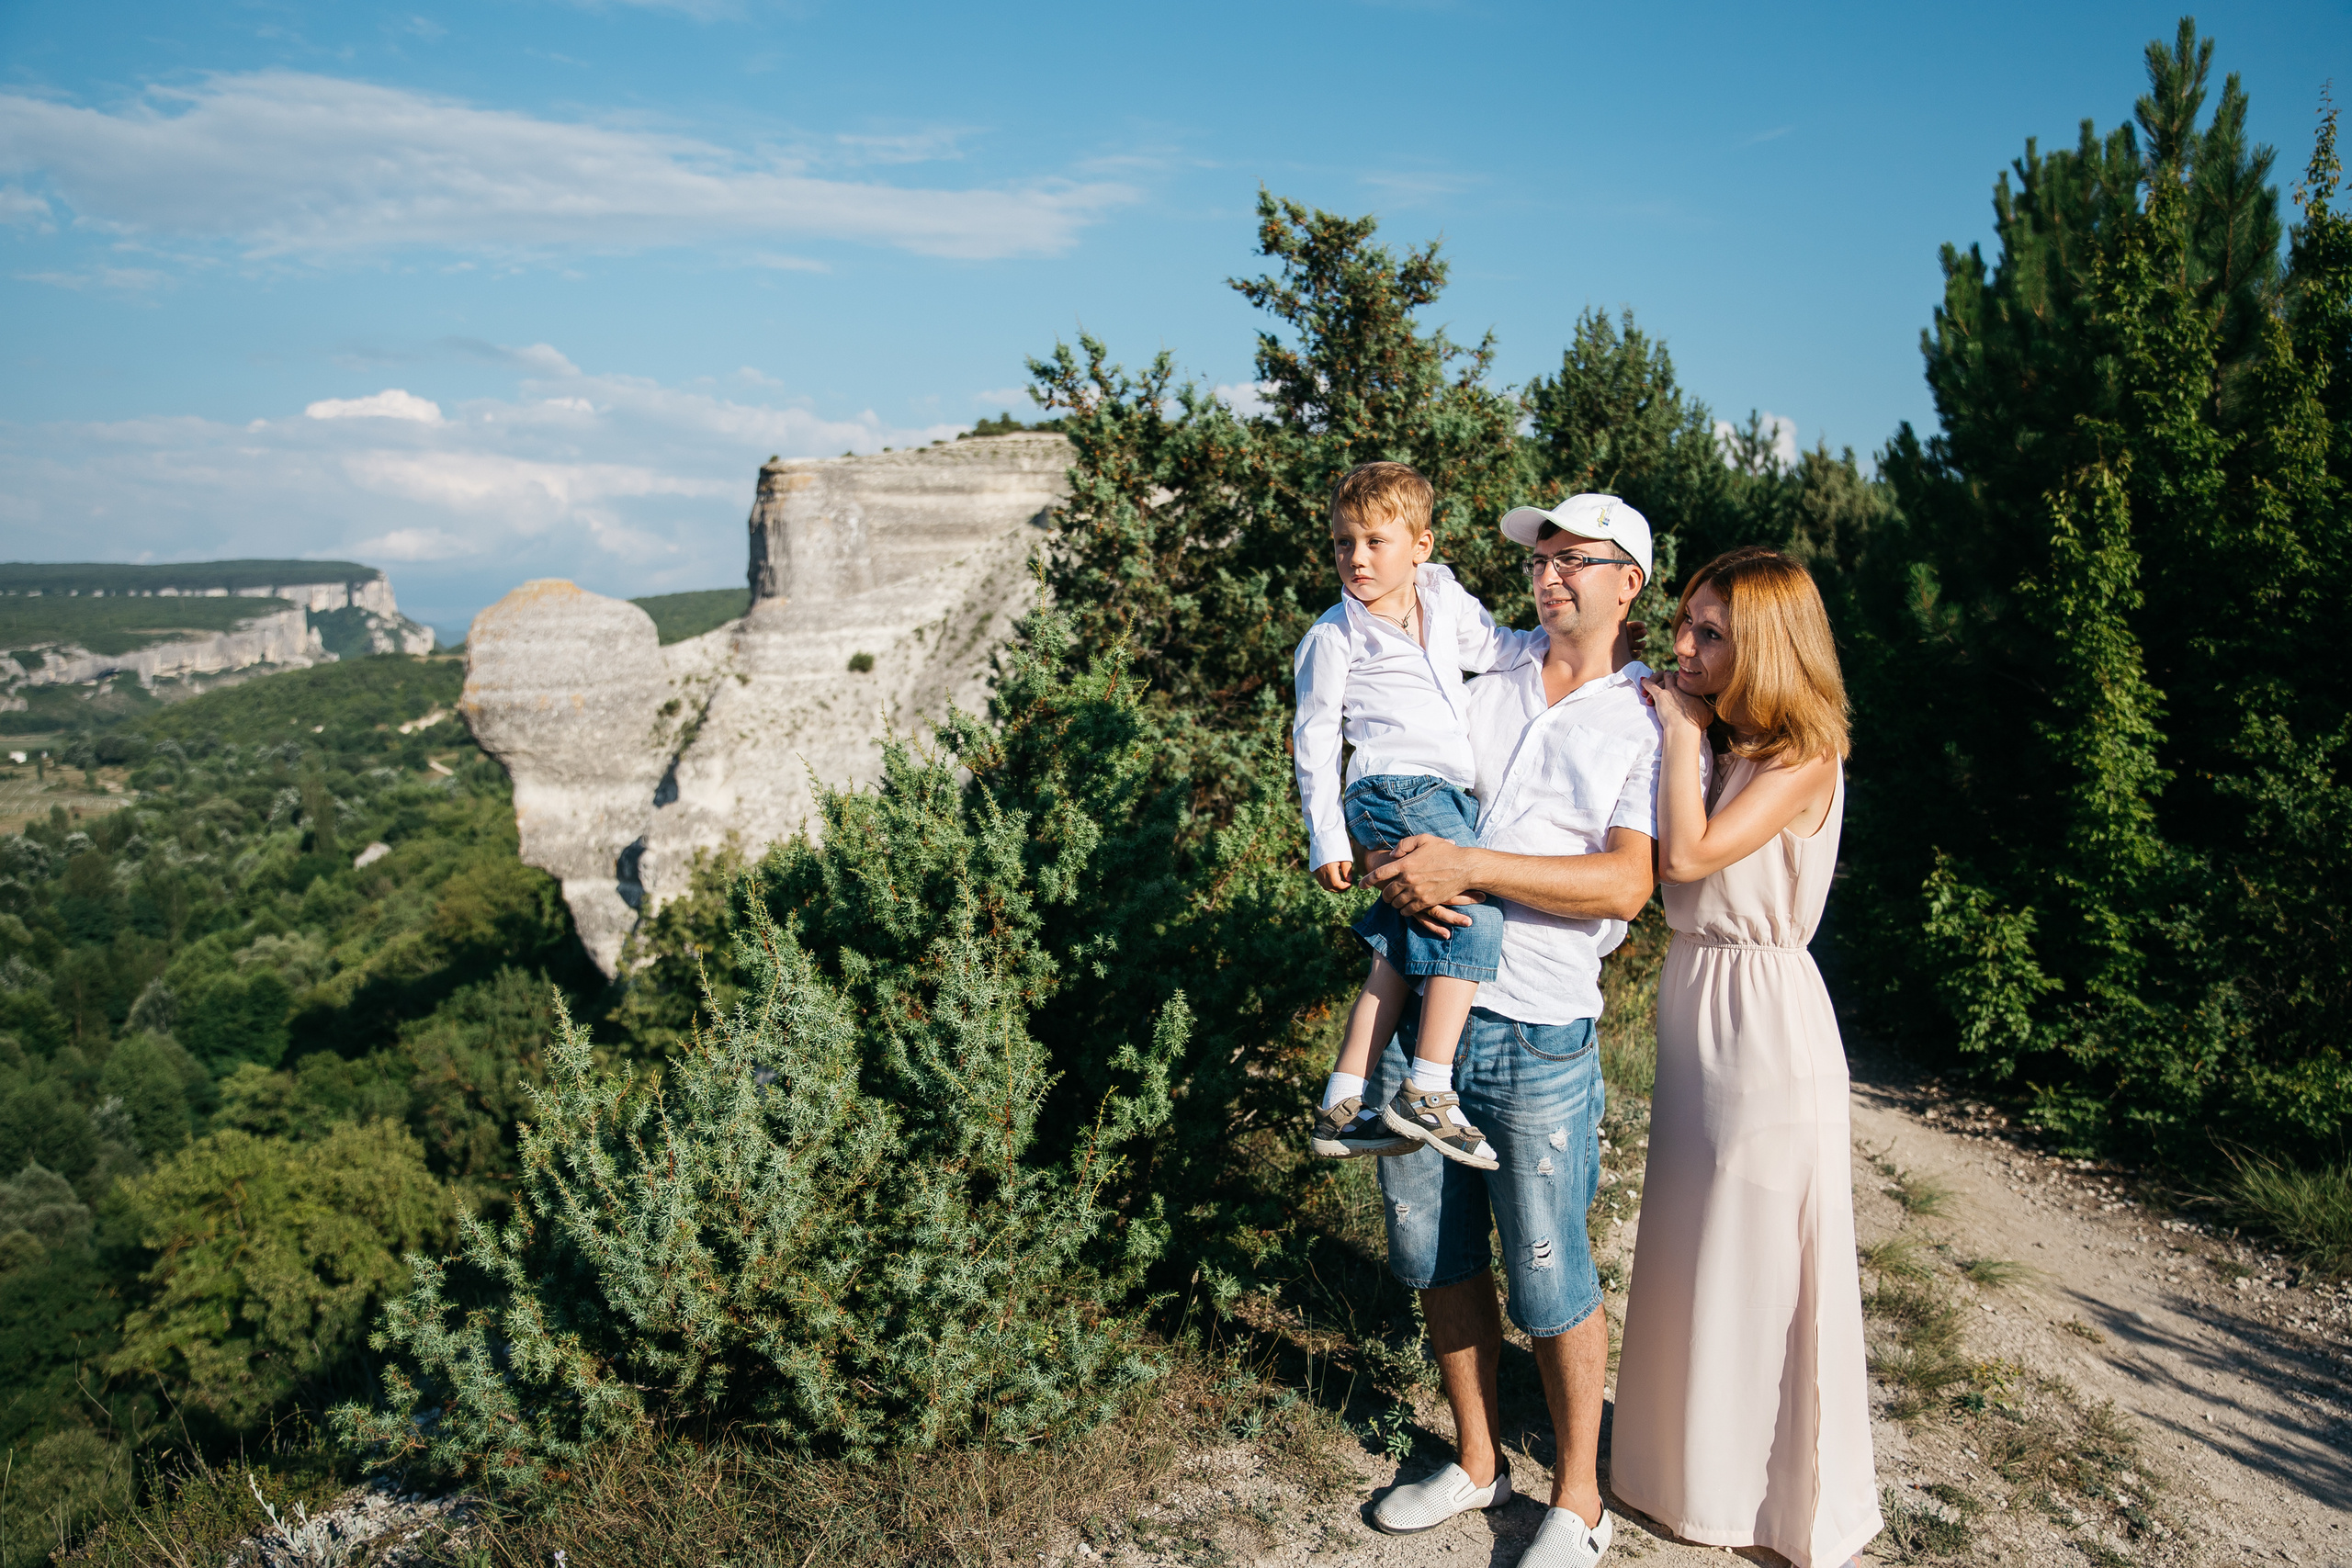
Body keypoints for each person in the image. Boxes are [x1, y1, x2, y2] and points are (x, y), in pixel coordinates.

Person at [1356, 491, 1659, 1568]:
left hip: (1537, 1029)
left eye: (1577, 560)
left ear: (1629, 582)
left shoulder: (1650, 717)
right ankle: (1478, 1460)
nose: (1549, 574)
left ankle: (1580, 1501)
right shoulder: (1476, 662)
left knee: (1547, 1269)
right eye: (1541, 557)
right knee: (1432, 1250)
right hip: (1423, 1012)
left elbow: (1628, 877)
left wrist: (1470, 866)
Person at [1611, 546, 1880, 1568]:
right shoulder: (1726, 739)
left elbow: (1685, 859)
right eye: (1683, 624)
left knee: (1765, 1260)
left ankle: (1770, 1507)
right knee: (1691, 1244)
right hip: (1695, 999)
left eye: (1708, 633)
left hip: (1766, 1018)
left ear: (1762, 642)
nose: (1683, 646)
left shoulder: (1805, 749)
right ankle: (1677, 1476)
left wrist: (1678, 729)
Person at [1295, 461, 1541, 1168]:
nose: (1356, 557)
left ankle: (1342, 1103)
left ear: (1421, 546)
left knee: (1401, 951)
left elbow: (1501, 649)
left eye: (1375, 541)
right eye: (1344, 542)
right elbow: (1313, 739)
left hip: (1443, 791)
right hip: (1391, 787)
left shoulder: (1446, 598)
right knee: (1472, 915)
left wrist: (1585, 651)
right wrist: (1326, 839)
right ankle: (1427, 1088)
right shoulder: (1335, 635)